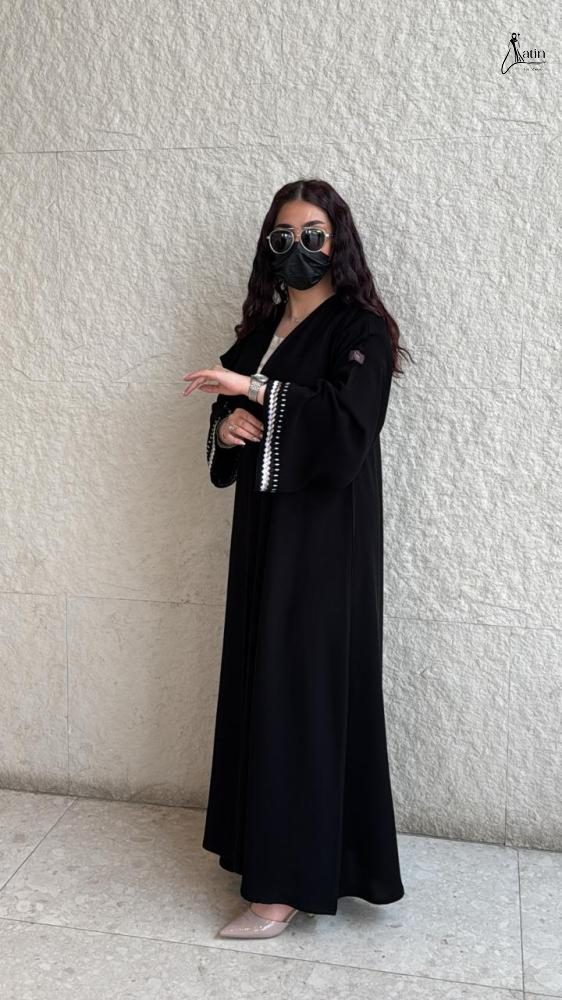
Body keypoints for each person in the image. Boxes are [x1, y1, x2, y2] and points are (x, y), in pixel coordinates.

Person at [182, 178, 412, 940]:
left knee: (303, 689)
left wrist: (253, 390)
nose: (299, 249)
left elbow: (350, 426)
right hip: (264, 535)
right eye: (284, 236)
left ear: (338, 242)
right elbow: (232, 410)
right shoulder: (263, 328)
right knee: (265, 680)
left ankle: (284, 888)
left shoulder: (362, 330)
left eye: (314, 234)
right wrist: (227, 427)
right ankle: (268, 856)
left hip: (325, 544)